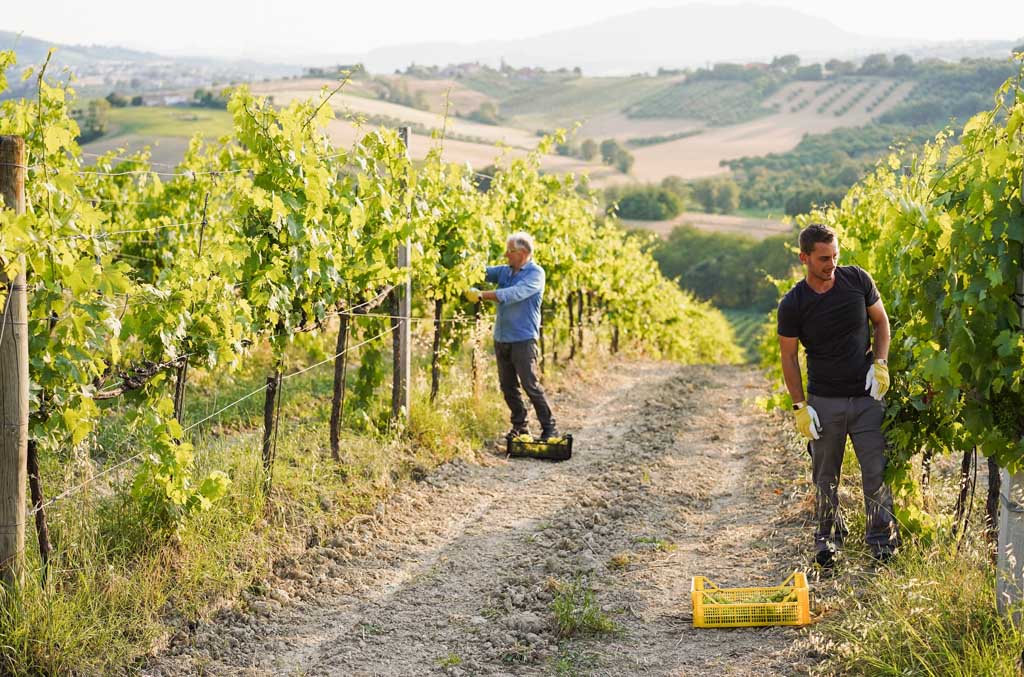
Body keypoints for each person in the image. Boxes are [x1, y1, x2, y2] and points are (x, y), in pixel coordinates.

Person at [777, 223, 899, 569]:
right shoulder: (793, 304)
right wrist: (800, 406)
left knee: (875, 471)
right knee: (825, 477)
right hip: (824, 401)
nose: (831, 264)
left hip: (865, 399)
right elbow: (788, 356)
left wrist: (880, 363)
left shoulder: (857, 280)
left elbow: (881, 322)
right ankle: (828, 540)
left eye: (835, 256)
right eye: (823, 258)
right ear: (804, 257)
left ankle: (881, 541)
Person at [466, 232, 558, 441]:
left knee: (530, 385)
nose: (506, 254)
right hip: (502, 338)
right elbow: (482, 273)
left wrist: (482, 295)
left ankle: (549, 427)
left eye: (510, 251)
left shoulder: (536, 274)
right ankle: (520, 426)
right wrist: (465, 270)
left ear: (523, 253)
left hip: (523, 339)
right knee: (508, 387)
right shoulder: (505, 271)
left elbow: (513, 294)